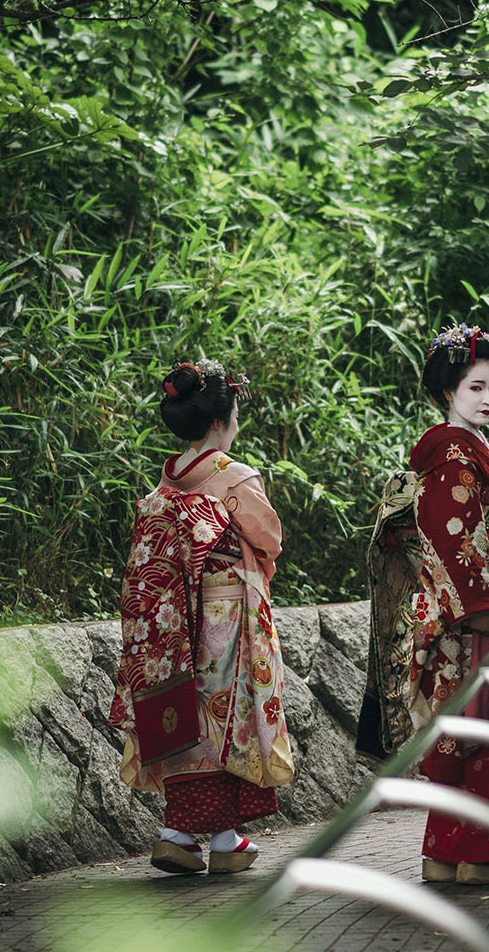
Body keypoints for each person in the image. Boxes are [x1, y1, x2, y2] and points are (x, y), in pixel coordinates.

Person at [366, 322, 489, 885]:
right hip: (470, 610)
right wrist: (478, 604)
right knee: (478, 727)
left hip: (467, 604)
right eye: (476, 387)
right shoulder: (452, 453)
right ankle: (476, 855)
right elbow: (449, 534)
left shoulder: (462, 448)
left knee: (463, 728)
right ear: (448, 392)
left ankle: (445, 852)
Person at [109, 358, 295, 875]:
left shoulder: (169, 476)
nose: (237, 423)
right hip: (225, 609)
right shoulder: (232, 475)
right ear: (219, 421)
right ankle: (207, 836)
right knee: (226, 712)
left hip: (175, 616)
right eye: (235, 414)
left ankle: (193, 834)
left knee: (187, 707)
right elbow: (269, 537)